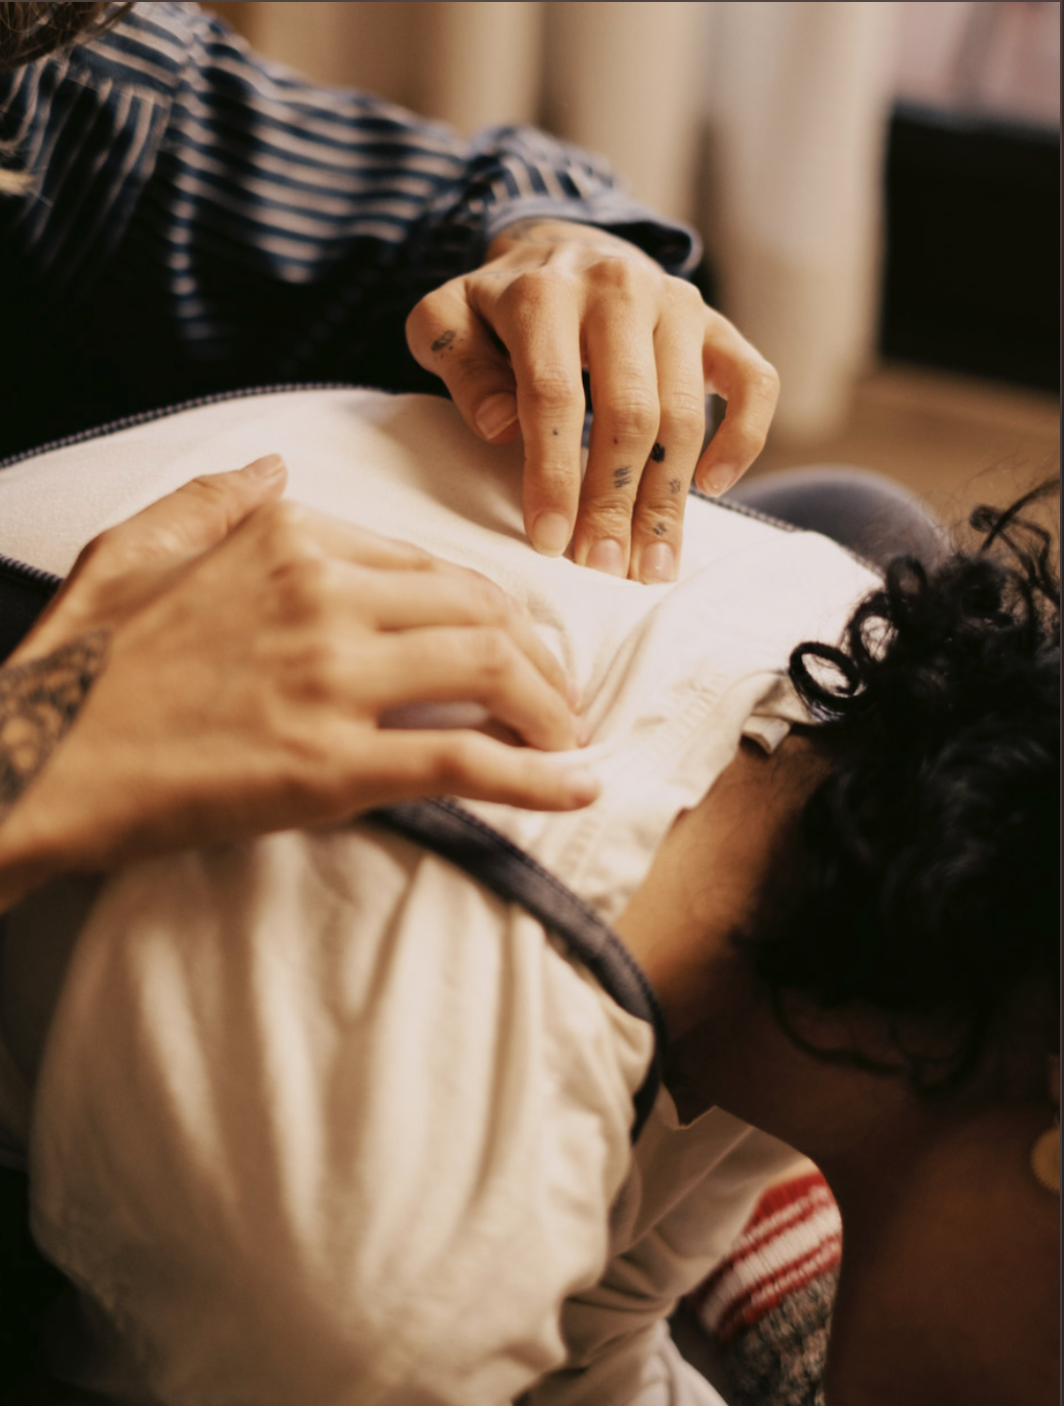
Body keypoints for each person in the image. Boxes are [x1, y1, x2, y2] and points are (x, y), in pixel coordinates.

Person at [0, 387, 1057, 1405]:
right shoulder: (402, 1300)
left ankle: (769, 1244)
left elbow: (595, 1328)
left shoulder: (859, 707)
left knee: (870, 519)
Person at [0, 0, 779, 895]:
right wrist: (39, 749)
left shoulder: (63, 76)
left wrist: (559, 253)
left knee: (861, 511)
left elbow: (470, 192)